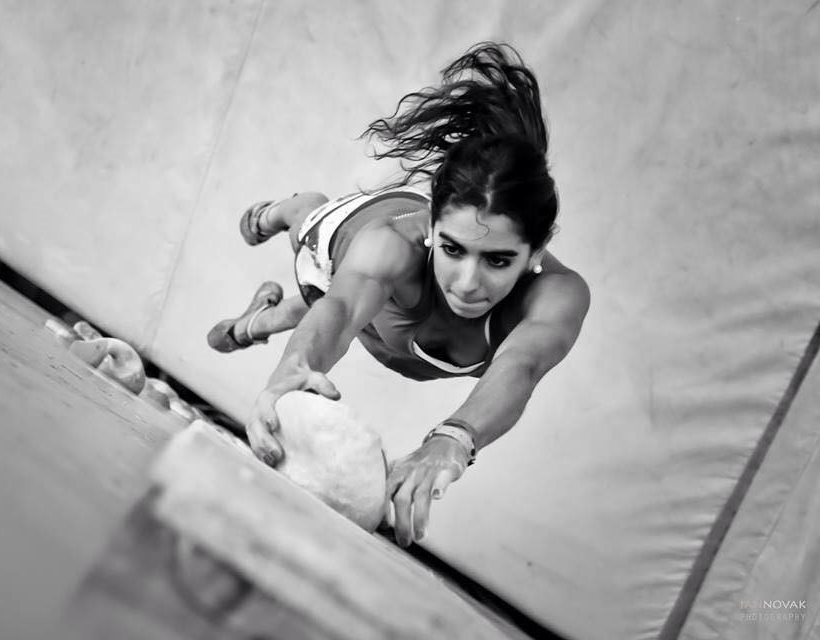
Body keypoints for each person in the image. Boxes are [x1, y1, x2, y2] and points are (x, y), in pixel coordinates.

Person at [207, 42, 590, 547]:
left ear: (537, 250)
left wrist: (453, 438)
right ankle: (284, 211)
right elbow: (342, 309)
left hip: (386, 314)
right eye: (453, 250)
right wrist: (290, 371)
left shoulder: (557, 295)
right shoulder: (389, 244)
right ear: (432, 226)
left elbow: (522, 365)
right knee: (314, 264)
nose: (467, 283)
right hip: (350, 250)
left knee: (317, 309)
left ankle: (254, 321)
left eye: (497, 260)